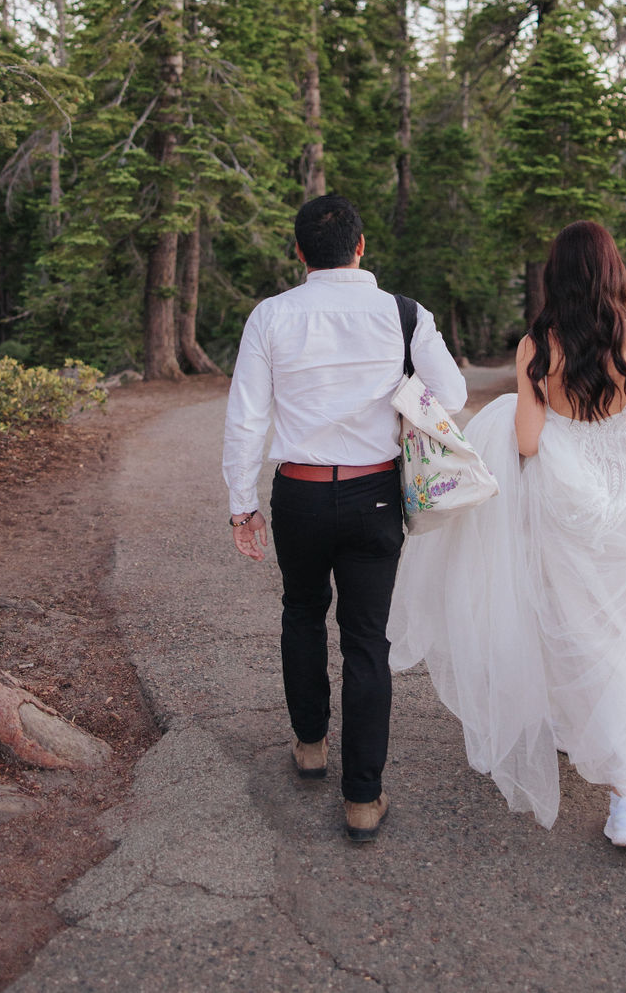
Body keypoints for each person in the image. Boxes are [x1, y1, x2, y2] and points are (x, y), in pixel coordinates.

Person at [388, 220, 626, 888]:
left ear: (557, 275)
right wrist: (625, 426)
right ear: (613, 273)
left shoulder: (536, 345)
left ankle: (583, 734)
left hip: (562, 498)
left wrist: (559, 422)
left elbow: (524, 438)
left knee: (569, 623)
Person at [223, 193, 467, 841]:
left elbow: (246, 415)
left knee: (301, 612)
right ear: (361, 248)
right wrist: (396, 396)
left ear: (299, 252)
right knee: (366, 640)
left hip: (298, 494)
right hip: (375, 496)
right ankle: (363, 798)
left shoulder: (269, 316)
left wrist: (240, 504)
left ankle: (309, 745)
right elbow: (456, 392)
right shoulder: (403, 313)